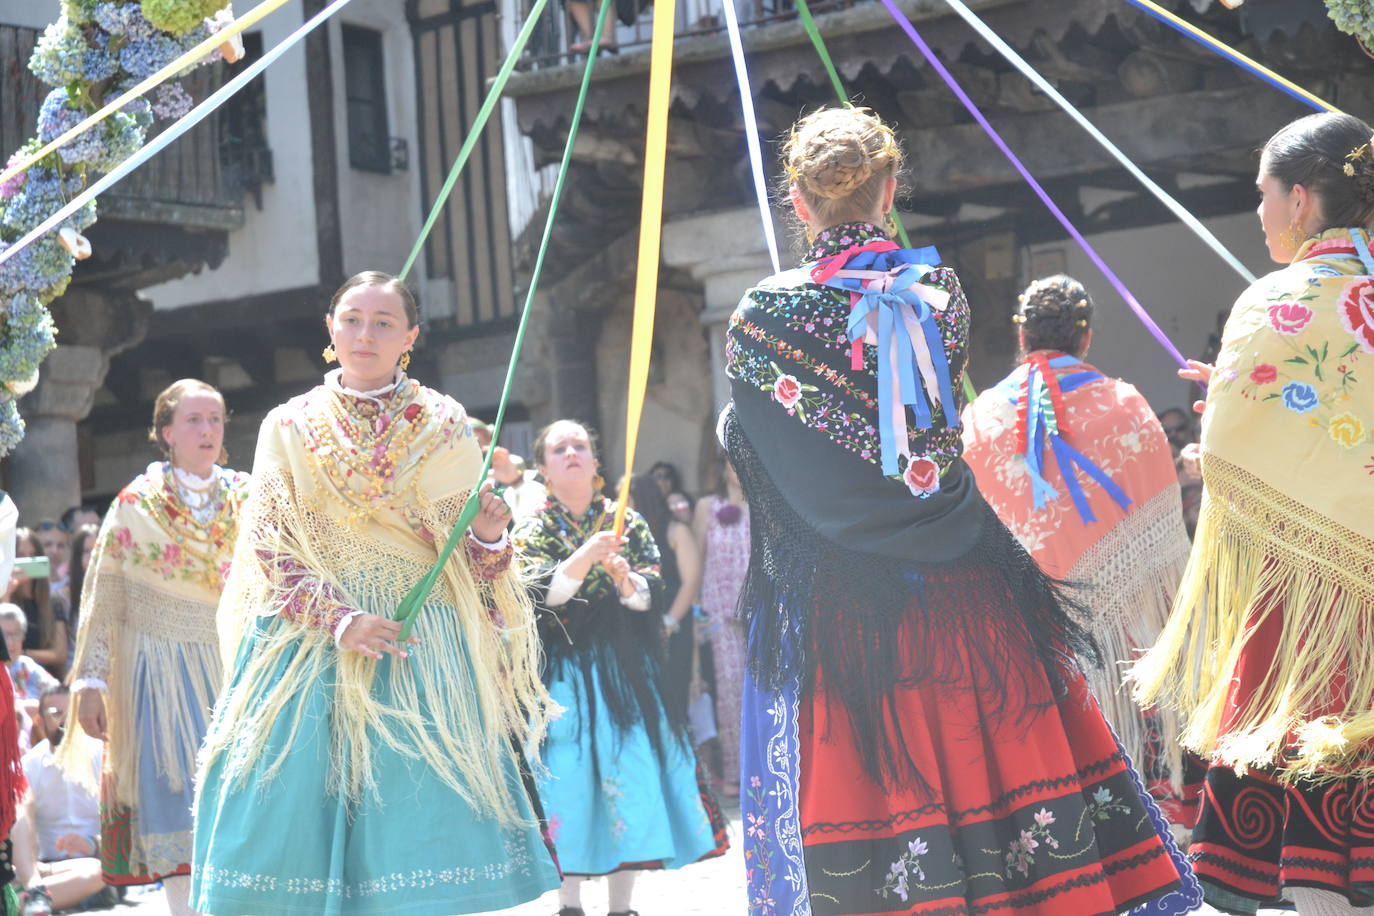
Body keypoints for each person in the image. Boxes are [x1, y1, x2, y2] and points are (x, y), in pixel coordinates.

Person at [723, 106, 1190, 915]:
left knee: (882, 822)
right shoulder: (936, 293)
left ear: (796, 204)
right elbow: (922, 442)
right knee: (1007, 789)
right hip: (969, 585)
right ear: (890, 190)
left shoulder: (760, 319)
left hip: (847, 612)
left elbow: (765, 453)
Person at [193, 271, 557, 915]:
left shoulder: (444, 422)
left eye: (384, 322)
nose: (366, 333)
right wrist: (339, 620)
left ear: (410, 337)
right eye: (353, 319)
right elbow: (272, 547)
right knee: (280, 810)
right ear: (331, 330)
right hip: (310, 643)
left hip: (418, 643)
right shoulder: (289, 423)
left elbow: (471, 568)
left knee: (418, 828)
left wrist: (492, 540)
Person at [1132, 112, 1374, 916]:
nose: (1261, 210)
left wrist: (1213, 455)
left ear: (1301, 200)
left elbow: (1237, 457)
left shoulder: (1272, 301)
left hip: (1304, 591)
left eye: (1264, 194)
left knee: (1307, 754)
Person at [960, 275, 1191, 813]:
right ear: (1086, 338)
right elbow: (1165, 538)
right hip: (1121, 650)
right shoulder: (1126, 405)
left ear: (1021, 334)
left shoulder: (981, 419)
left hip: (1024, 641)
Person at [513, 420, 726, 916]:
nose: (571, 453)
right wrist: (585, 557)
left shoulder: (625, 521)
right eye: (559, 448)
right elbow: (537, 597)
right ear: (543, 468)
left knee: (629, 773)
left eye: (580, 445)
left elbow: (653, 591)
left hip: (625, 671)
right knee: (566, 779)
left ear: (595, 462)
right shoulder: (532, 527)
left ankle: (622, 907)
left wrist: (627, 582)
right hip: (563, 671)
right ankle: (569, 904)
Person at [61, 378, 250, 915]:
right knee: (175, 803)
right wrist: (92, 684)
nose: (207, 429)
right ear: (166, 432)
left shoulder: (248, 495)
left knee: (244, 800)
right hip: (159, 671)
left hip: (236, 664)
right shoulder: (135, 503)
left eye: (215, 419)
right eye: (193, 420)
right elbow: (105, 596)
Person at [14, 685, 109, 915]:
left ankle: (21, 901)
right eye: (56, 713)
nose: (65, 721)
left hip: (98, 859)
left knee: (99, 871)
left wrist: (94, 842)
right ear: (39, 720)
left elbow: (128, 829)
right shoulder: (30, 765)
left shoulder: (102, 757)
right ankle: (32, 897)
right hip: (47, 865)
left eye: (71, 713)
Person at [690, 454, 749, 798]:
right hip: (718, 612)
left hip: (757, 611)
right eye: (733, 461)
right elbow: (696, 560)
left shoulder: (764, 504)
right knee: (728, 693)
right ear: (723, 467)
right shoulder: (707, 507)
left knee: (762, 690)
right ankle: (734, 773)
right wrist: (696, 611)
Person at [626, 473, 702, 721]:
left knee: (673, 698)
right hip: (638, 626)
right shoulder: (624, 537)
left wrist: (670, 622)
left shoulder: (676, 531)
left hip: (674, 621)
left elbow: (691, 581)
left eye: (625, 500)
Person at [7, 531, 68, 678]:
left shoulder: (53, 602)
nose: (27, 560)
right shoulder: (4, 598)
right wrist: (7, 593)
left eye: (32, 555)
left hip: (46, 680)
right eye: (20, 556)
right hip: (12, 678)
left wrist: (23, 654)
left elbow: (60, 653)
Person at [60, 526, 98, 671]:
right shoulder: (62, 598)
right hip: (73, 673)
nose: (93, 556)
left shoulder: (118, 595)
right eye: (87, 551)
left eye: (97, 550)